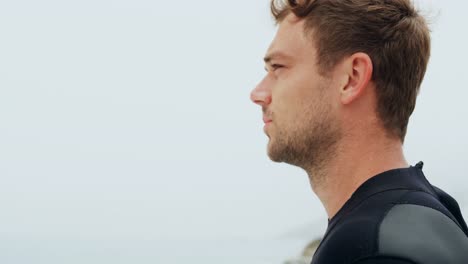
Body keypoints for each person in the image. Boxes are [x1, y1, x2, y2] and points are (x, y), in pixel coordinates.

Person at [250, 0, 468, 263]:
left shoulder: (368, 248)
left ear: (352, 78)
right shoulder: (433, 213)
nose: (258, 94)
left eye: (278, 68)